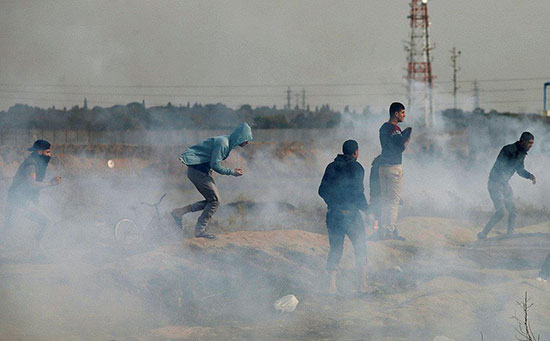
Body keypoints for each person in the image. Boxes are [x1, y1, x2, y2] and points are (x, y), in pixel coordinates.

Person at [171, 123, 253, 239]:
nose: (248, 142)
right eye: (247, 138)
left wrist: (209, 170)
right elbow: (215, 164)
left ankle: (180, 212)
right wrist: (232, 172)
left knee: (212, 201)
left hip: (199, 171)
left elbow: (209, 159)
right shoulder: (223, 144)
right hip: (197, 172)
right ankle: (200, 230)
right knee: (215, 201)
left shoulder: (226, 142)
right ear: (240, 137)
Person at [318, 139, 369, 294]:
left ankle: (331, 287)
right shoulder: (357, 167)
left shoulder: (331, 166)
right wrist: (367, 209)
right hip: (352, 215)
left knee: (335, 250)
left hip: (333, 214)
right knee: (361, 248)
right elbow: (358, 193)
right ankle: (362, 285)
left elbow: (321, 191)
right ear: (356, 152)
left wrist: (332, 202)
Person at [3, 140, 62, 249]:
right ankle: (36, 253)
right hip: (19, 202)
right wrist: (51, 183)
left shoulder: (37, 163)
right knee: (45, 223)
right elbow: (32, 184)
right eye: (47, 152)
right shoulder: (31, 164)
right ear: (40, 152)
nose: (50, 155)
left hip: (22, 201)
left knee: (8, 231)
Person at [477, 132, 536, 240]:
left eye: (532, 144)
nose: (531, 146)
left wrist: (529, 176)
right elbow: (500, 167)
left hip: (504, 184)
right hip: (495, 183)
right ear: (523, 141)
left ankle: (510, 235)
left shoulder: (522, 153)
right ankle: (483, 234)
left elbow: (520, 170)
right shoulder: (509, 149)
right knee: (501, 212)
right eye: (529, 143)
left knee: (513, 210)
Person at [377, 102, 411, 240]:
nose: (404, 115)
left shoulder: (383, 127)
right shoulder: (395, 129)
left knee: (385, 200)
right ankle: (389, 231)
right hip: (394, 168)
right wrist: (407, 139)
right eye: (402, 112)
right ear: (396, 113)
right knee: (393, 202)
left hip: (383, 167)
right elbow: (400, 147)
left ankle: (383, 229)